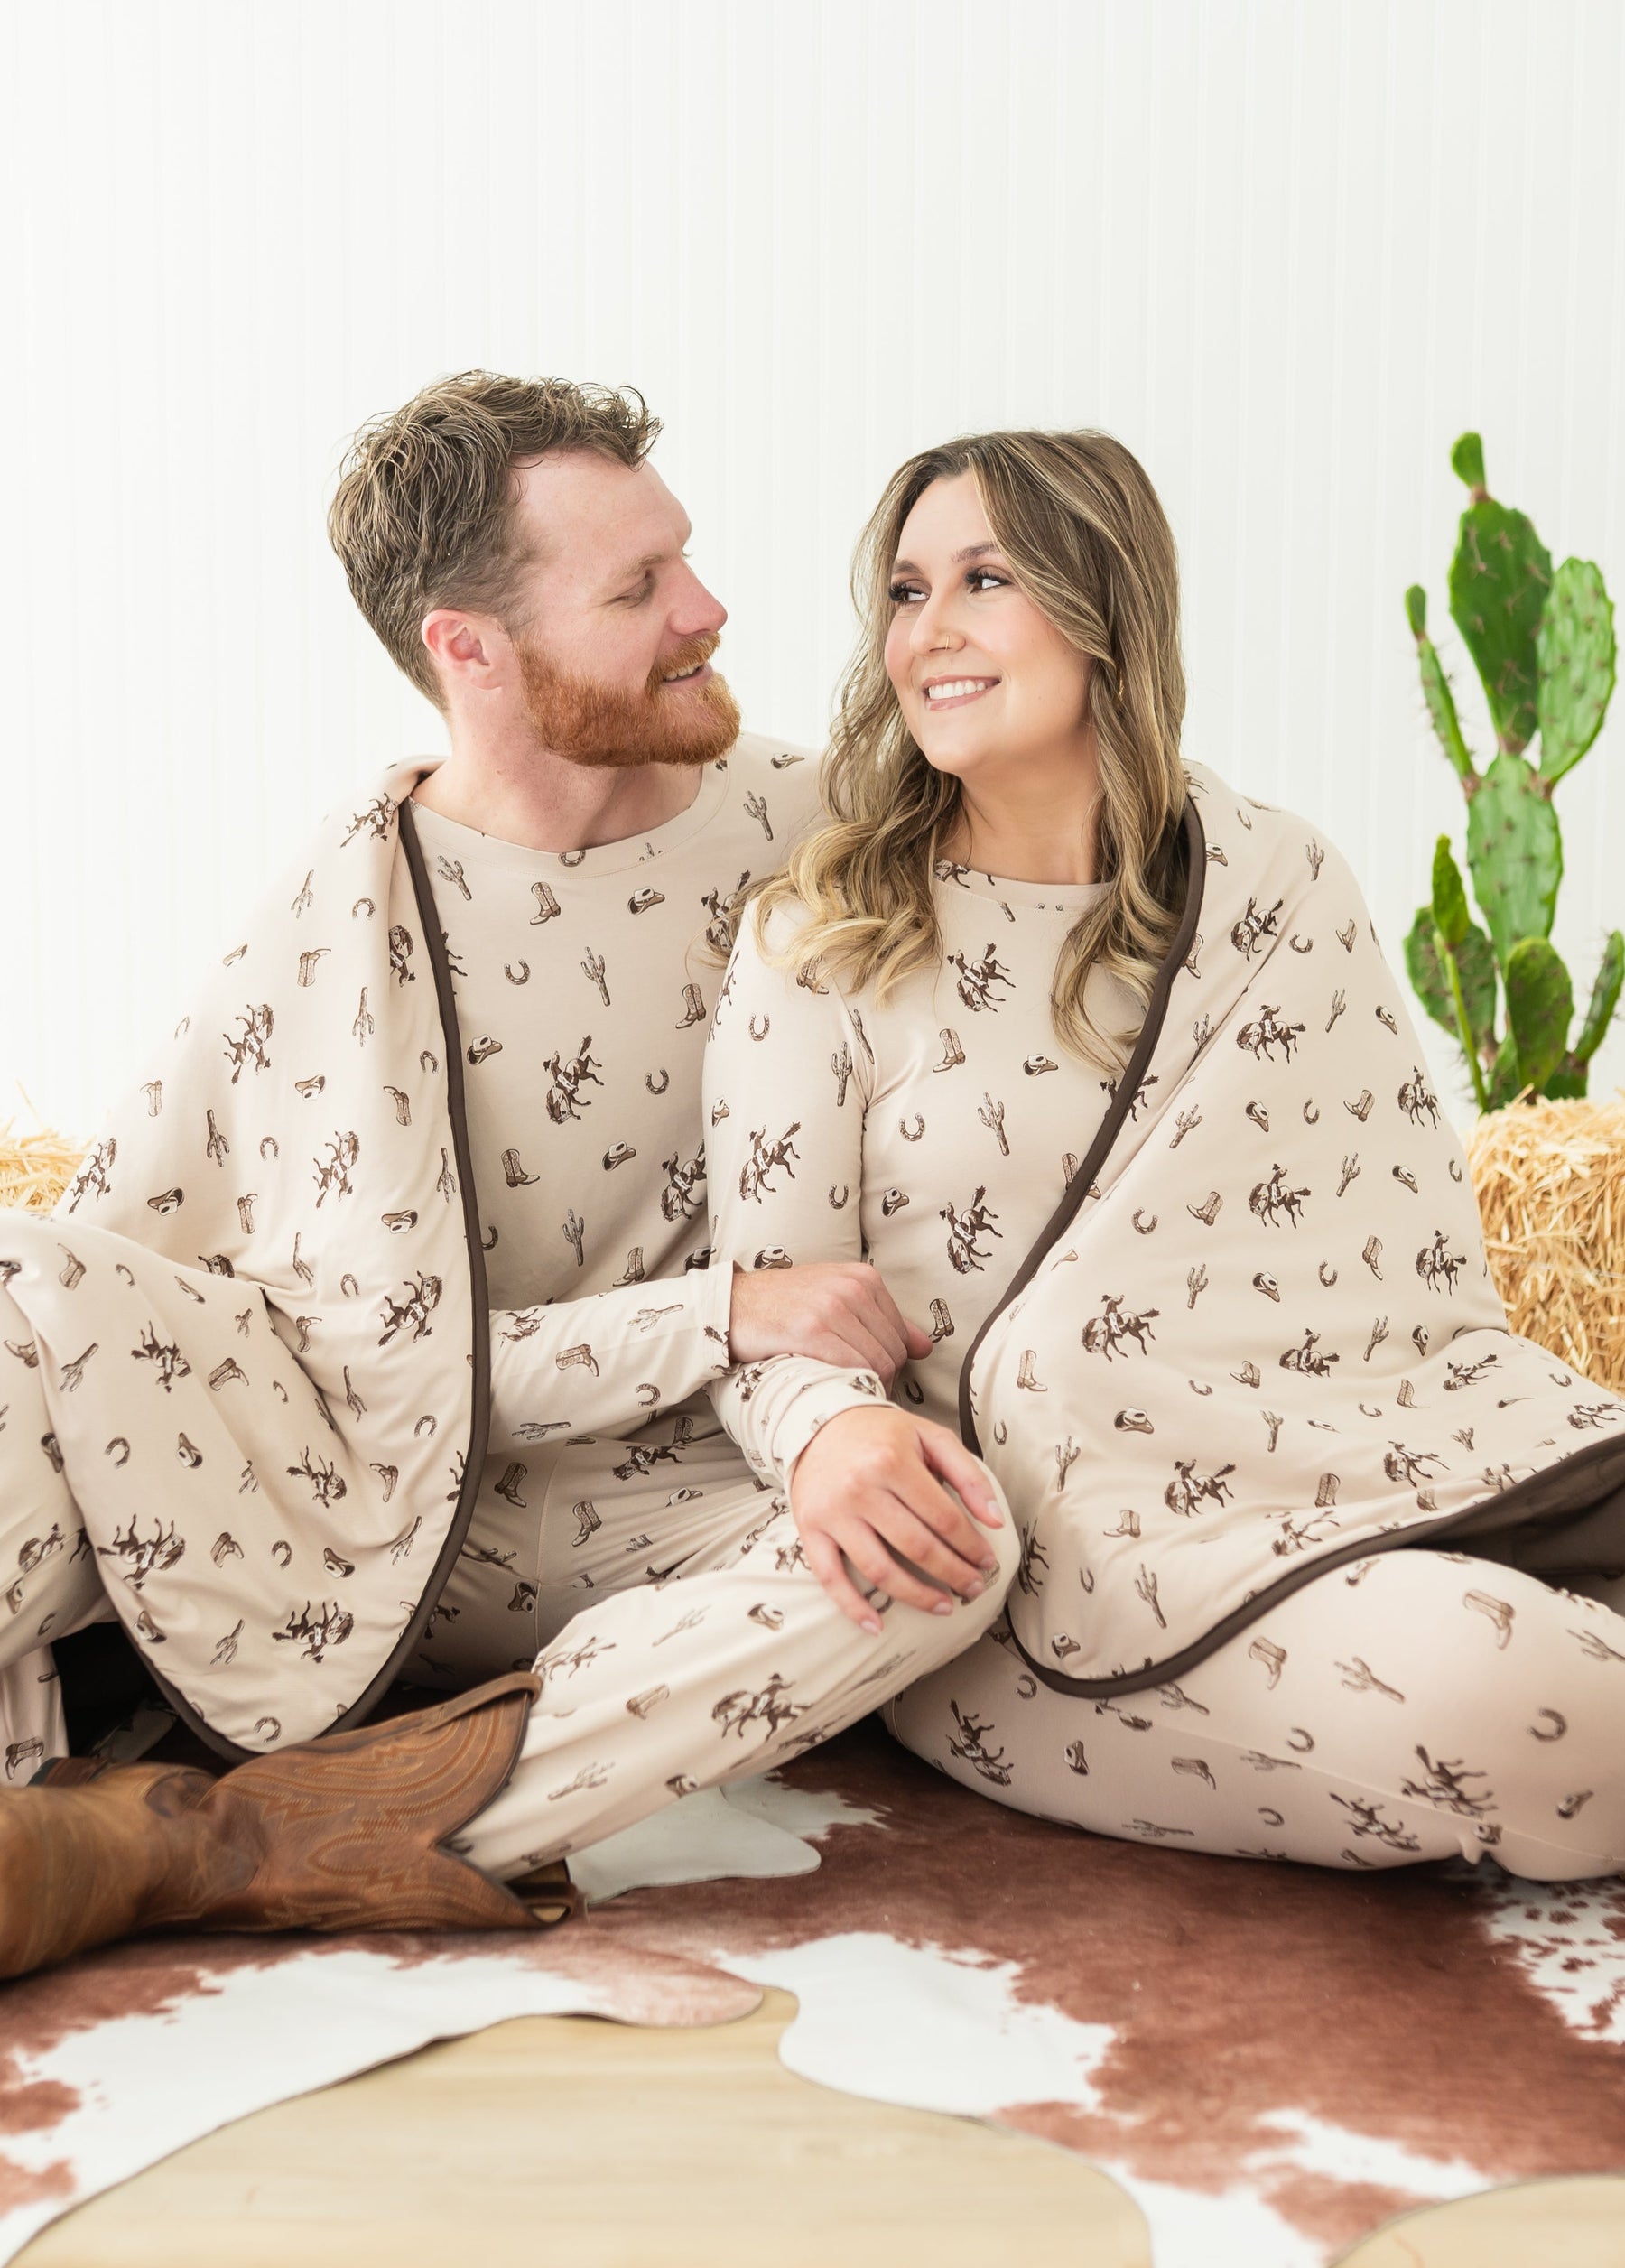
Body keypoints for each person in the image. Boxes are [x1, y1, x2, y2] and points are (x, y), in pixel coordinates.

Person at [0, 375, 1017, 1979]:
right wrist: (723, 1310)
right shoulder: (334, 925)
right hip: (364, 1511)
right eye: (636, 591)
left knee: (948, 1555)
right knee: (16, 1293)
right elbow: (351, 1376)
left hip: (686, 1507)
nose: (708, 611)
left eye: (682, 559)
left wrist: (821, 1412)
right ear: (466, 650)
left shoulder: (827, 826)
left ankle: (246, 1841)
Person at [704, 425, 1625, 1882]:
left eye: (983, 580)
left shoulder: (1277, 879)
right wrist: (832, 1437)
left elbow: (1410, 1254)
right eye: (903, 591)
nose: (927, 632)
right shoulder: (821, 945)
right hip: (1050, 1585)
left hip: (1389, 1454)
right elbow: (770, 1318)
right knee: (1523, 1695)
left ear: (1102, 609)